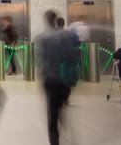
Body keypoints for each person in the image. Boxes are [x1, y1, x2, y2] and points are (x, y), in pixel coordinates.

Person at [36, 10, 80, 145]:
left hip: (49, 79)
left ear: (45, 20)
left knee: (52, 111)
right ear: (56, 20)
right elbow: (74, 56)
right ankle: (62, 110)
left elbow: (40, 60)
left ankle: (54, 140)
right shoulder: (68, 35)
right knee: (60, 104)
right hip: (64, 78)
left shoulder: (41, 38)